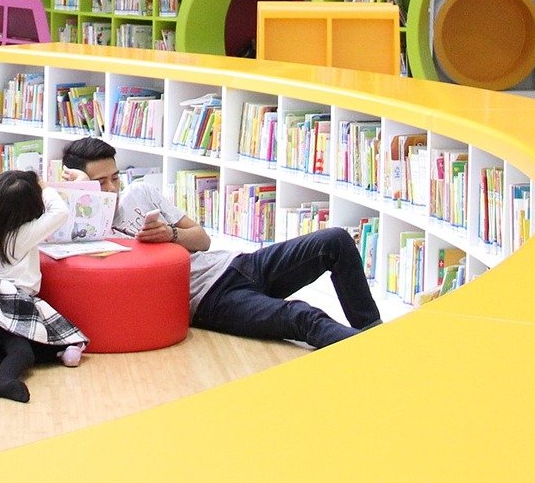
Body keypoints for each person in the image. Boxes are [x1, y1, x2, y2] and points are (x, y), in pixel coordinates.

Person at [60, 136, 379, 349]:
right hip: (207, 299)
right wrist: (78, 194)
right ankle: (375, 355)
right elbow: (36, 204)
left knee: (335, 240)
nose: (112, 188)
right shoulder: (84, 229)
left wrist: (171, 236)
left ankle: (376, 330)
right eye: (100, 182)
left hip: (239, 264)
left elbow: (203, 239)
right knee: (303, 316)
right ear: (75, 181)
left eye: (115, 177)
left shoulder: (141, 193)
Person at [0, 169, 88, 402]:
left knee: (38, 342)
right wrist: (44, 187)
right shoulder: (22, 234)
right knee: (23, 353)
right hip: (10, 302)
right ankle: (4, 381)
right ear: (30, 207)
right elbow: (61, 211)